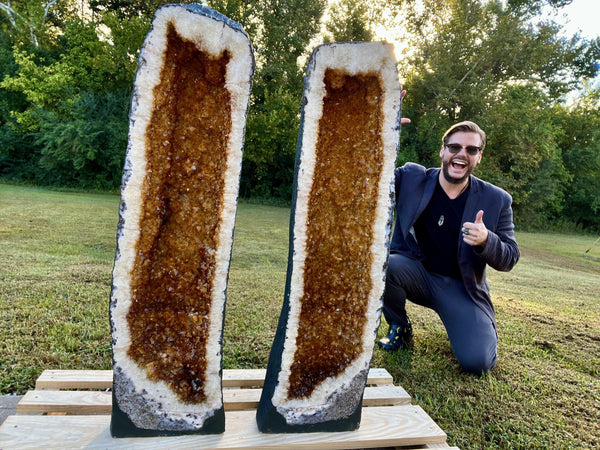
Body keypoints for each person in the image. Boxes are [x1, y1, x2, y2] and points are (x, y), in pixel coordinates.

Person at [378, 120, 520, 374]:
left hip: (461, 289)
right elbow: (370, 173)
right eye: (455, 147)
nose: (462, 154)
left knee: (478, 363)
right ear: (442, 151)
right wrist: (381, 127)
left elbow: (509, 257)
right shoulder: (412, 178)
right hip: (416, 275)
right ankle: (399, 326)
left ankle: (471, 328)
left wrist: (487, 240)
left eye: (471, 150)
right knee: (387, 265)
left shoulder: (497, 199)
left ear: (478, 157)